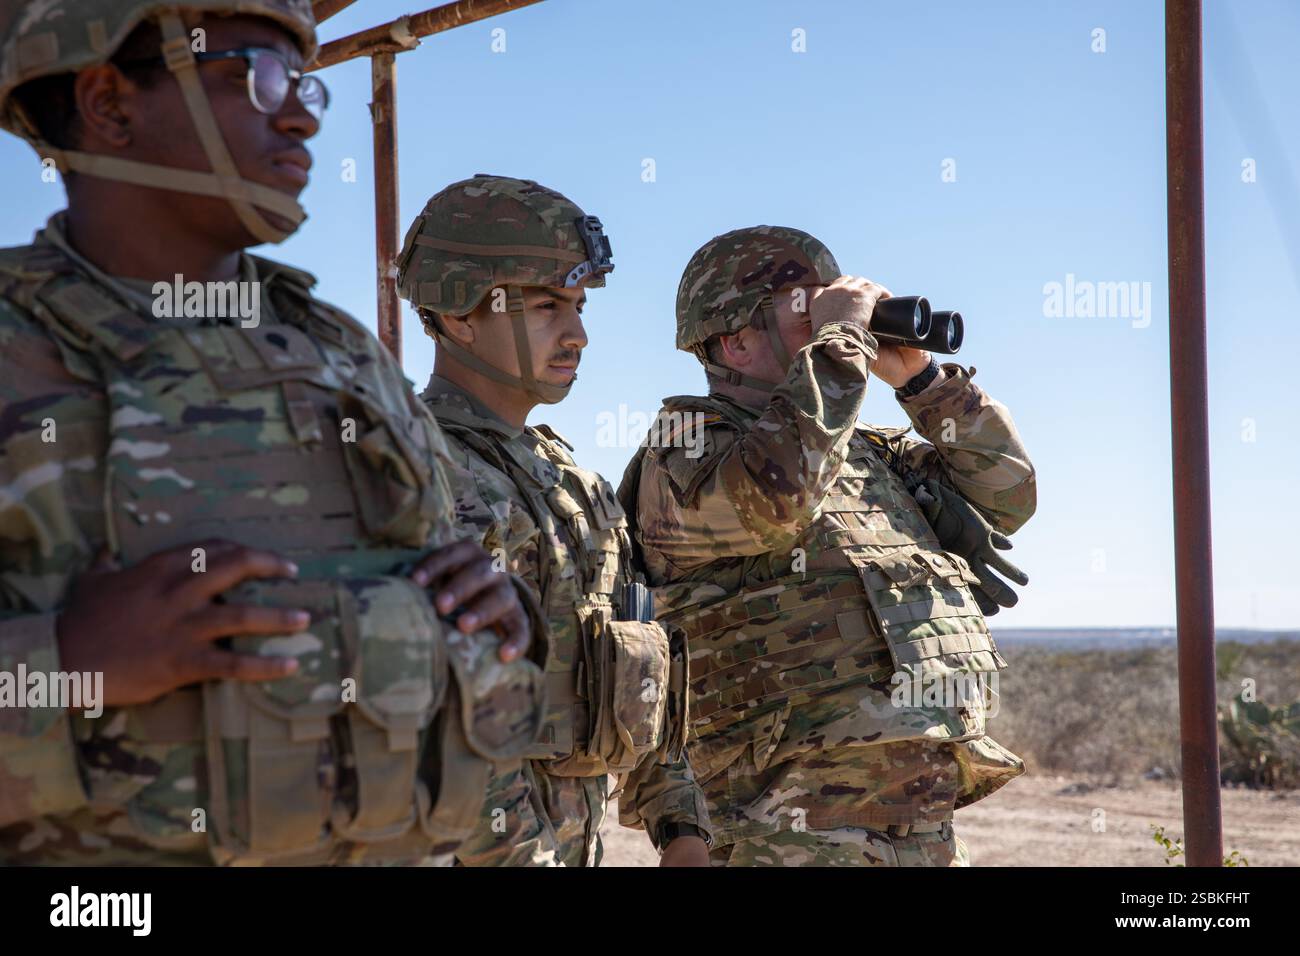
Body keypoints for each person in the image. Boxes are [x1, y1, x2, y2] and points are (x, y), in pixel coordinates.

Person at [0, 1, 545, 865]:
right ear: (109, 103)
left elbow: (442, 621)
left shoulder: (340, 352)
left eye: (305, 83)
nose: (296, 112)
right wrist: (65, 663)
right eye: (253, 76)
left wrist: (495, 614)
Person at [619, 225, 1037, 866]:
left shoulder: (865, 452)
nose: (842, 324)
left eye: (834, 308)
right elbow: (774, 500)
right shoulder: (686, 446)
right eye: (807, 312)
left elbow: (1010, 494)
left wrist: (921, 383)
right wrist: (840, 343)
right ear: (735, 341)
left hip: (919, 817)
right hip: (783, 822)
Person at [396, 175, 712, 866]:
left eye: (576, 305)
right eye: (546, 306)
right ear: (456, 314)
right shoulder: (420, 474)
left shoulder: (575, 484)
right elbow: (447, 732)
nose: (578, 334)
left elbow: (635, 657)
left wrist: (681, 827)